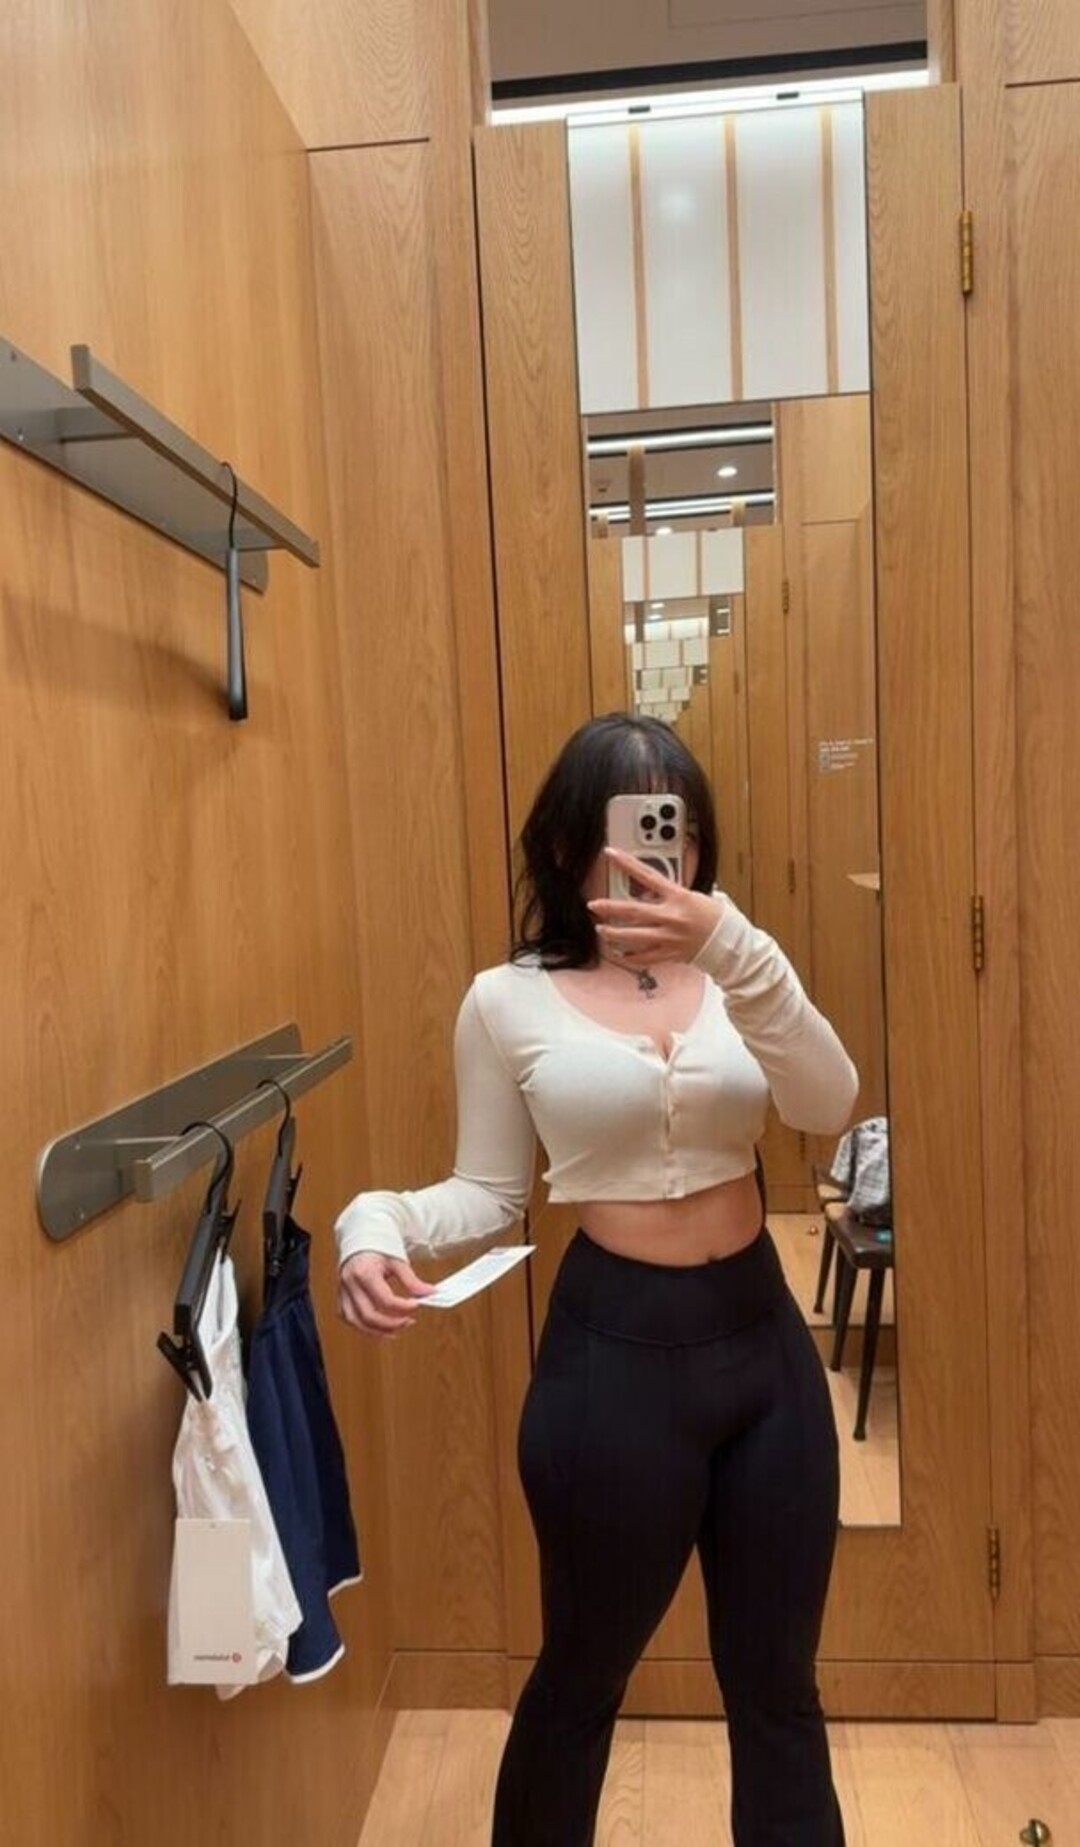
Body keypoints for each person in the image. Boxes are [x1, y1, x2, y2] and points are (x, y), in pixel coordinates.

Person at [336, 713, 859, 1846]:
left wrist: (735, 948)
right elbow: (487, 1191)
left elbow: (828, 1101)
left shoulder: (740, 965)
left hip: (764, 1348)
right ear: (571, 844)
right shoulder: (504, 999)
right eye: (631, 826)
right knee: (582, 1675)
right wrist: (374, 1222)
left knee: (779, 1685)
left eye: (680, 827)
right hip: (613, 1362)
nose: (660, 854)